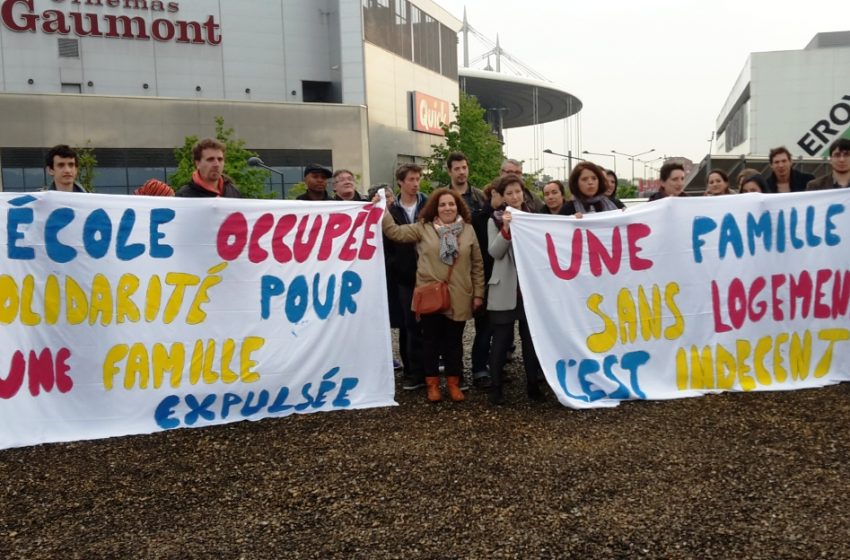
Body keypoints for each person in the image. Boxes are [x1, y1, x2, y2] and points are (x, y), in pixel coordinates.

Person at [381, 188, 485, 403]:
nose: (448, 208)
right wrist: (382, 210)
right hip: (431, 294)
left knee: (454, 342)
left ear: (458, 206)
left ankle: (454, 383)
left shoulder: (468, 230)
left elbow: (477, 264)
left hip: (459, 294)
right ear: (435, 208)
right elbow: (395, 232)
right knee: (430, 342)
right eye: (442, 204)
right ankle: (433, 384)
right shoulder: (423, 228)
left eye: (451, 204)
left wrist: (478, 294)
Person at [487, 175, 544, 405]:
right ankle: (496, 387)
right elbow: (494, 252)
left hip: (530, 289)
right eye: (509, 193)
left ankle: (533, 385)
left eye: (517, 192)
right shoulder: (495, 220)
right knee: (501, 339)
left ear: (524, 192)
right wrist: (507, 230)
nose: (514, 196)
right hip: (506, 289)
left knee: (530, 340)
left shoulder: (534, 218)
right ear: (502, 197)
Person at [447, 151, 491, 388]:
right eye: (457, 168)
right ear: (450, 171)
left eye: (464, 167)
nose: (462, 172)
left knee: (483, 324)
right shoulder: (442, 197)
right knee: (454, 327)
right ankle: (456, 375)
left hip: (480, 265)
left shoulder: (481, 197)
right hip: (453, 271)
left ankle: (480, 369)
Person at [387, 164, 428, 391]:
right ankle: (412, 371)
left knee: (429, 324)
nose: (415, 183)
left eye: (418, 179)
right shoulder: (392, 210)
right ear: (400, 182)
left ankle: (428, 368)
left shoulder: (428, 204)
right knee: (408, 325)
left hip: (427, 274)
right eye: (411, 179)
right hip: (403, 276)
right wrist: (395, 264)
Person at [175, 138, 241, 198]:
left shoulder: (233, 192)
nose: (216, 164)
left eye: (220, 159)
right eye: (210, 159)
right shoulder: (184, 196)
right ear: (198, 163)